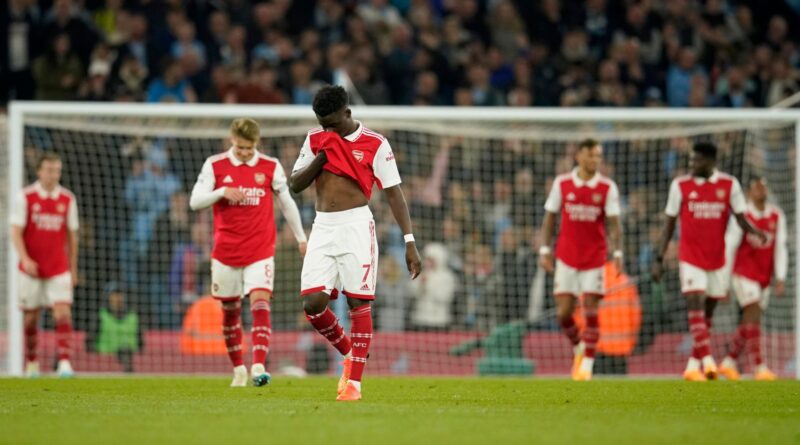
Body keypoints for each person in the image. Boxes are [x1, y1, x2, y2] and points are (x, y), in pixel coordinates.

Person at [290, 85, 422, 401]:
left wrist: (409, 241)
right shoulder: (315, 140)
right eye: (323, 124)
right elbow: (295, 183)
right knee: (312, 305)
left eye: (332, 124)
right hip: (323, 227)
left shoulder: (376, 144)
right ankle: (350, 353)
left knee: (358, 303)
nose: (327, 129)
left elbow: (394, 193)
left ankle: (354, 385)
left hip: (356, 227)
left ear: (347, 114)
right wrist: (323, 155)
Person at [190, 118, 307, 387]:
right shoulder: (215, 165)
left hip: (260, 249)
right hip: (226, 251)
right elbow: (195, 201)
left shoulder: (270, 165)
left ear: (257, 143)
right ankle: (238, 370)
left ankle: (258, 366)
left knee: (261, 304)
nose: (244, 153)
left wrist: (301, 238)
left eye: (249, 148)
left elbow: (287, 203)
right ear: (232, 141)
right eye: (240, 147)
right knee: (231, 312)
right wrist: (222, 192)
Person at [652, 142, 766, 381]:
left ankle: (693, 366)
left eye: (698, 161)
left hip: (716, 258)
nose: (693, 165)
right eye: (691, 160)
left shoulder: (729, 184)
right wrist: (659, 258)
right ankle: (708, 361)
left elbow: (740, 218)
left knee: (707, 314)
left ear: (712, 161)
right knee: (694, 304)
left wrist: (755, 231)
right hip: (690, 257)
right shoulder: (680, 186)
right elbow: (669, 225)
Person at [539, 139, 623, 381]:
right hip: (566, 256)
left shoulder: (607, 187)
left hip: (595, 258)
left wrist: (618, 254)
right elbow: (550, 219)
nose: (595, 160)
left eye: (598, 156)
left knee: (590, 308)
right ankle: (579, 347)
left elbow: (615, 226)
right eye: (590, 155)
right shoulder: (562, 183)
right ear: (578, 156)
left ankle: (587, 363)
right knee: (563, 313)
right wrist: (544, 249)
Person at [10, 152, 80, 378]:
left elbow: (72, 237)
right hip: (31, 269)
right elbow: (15, 231)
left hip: (58, 267)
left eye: (57, 170)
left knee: (63, 313)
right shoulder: (26, 197)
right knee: (31, 318)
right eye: (49, 170)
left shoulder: (67, 199)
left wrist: (73, 268)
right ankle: (31, 362)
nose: (53, 175)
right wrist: (25, 258)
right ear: (39, 171)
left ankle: (65, 364)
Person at [719, 176, 787, 381]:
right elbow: (729, 247)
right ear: (749, 193)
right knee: (753, 312)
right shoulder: (742, 216)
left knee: (750, 319)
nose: (761, 190)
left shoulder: (776, 215)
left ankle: (729, 361)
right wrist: (724, 283)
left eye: (763, 186)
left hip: (763, 277)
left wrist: (780, 277)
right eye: (757, 187)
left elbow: (780, 247)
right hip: (743, 273)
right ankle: (759, 367)